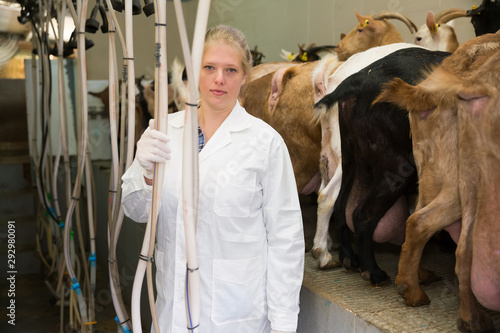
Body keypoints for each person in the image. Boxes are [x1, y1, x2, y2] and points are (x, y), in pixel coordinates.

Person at [121, 24, 304, 333]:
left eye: (231, 70)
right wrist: (144, 171)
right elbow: (135, 210)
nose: (219, 79)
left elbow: (286, 240)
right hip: (172, 313)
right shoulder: (165, 131)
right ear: (195, 71)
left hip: (237, 317)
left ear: (245, 76)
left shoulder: (265, 143)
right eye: (210, 67)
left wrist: (284, 325)